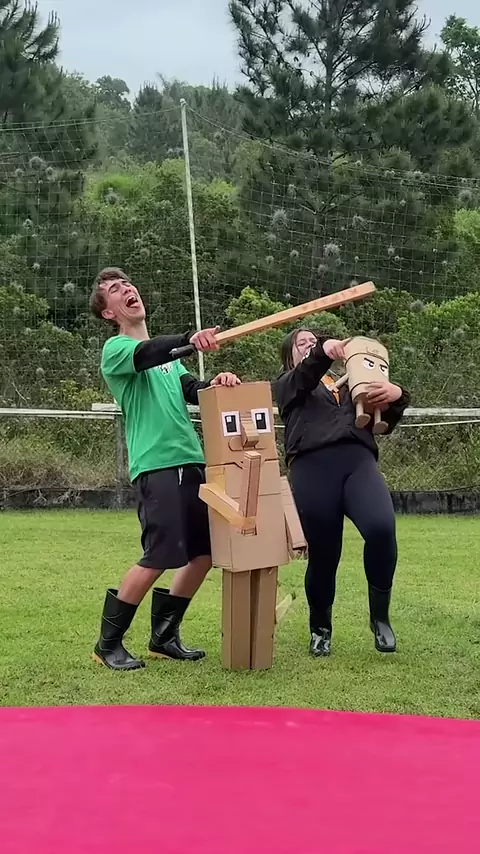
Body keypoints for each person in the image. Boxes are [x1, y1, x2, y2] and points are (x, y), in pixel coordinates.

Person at [89, 267, 241, 672]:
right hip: (157, 465)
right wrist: (189, 339)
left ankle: (164, 636)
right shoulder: (118, 350)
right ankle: (107, 644)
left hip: (191, 462)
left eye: (127, 284)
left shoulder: (169, 363)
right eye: (115, 290)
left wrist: (218, 382)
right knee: (159, 555)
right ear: (109, 313)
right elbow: (149, 353)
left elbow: (193, 389)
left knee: (204, 554)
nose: (127, 289)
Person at [274, 327, 410, 658]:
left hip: (358, 463)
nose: (309, 345)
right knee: (324, 555)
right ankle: (320, 629)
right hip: (311, 468)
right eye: (302, 343)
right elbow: (308, 371)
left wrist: (396, 396)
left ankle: (380, 618)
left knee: (381, 529)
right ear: (290, 356)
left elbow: (383, 422)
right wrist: (323, 349)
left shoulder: (351, 384)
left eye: (313, 340)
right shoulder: (288, 384)